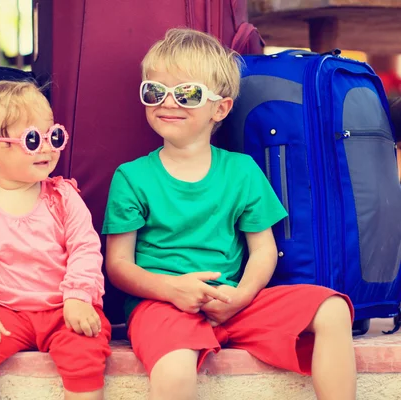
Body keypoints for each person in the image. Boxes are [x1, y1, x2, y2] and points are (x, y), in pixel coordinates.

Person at [103, 28, 356, 400]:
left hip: (233, 301)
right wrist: (172, 290)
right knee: (173, 369)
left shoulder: (242, 171)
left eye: (187, 93)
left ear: (220, 108)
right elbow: (119, 265)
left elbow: (263, 251)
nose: (167, 103)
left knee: (333, 309)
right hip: (161, 305)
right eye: (154, 91)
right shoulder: (131, 177)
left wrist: (242, 296)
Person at [0, 80, 111, 400]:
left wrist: (79, 297)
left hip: (65, 308)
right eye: (32, 139)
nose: (47, 147)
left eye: (53, 135)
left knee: (85, 349)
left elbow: (85, 248)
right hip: (5, 311)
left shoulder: (62, 197)